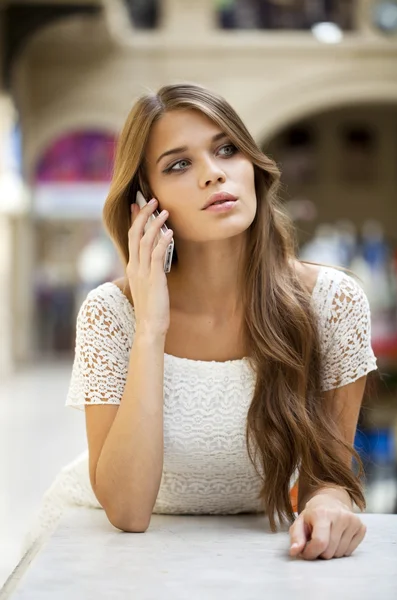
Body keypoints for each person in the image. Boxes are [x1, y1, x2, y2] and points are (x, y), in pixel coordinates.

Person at [24, 83, 378, 561]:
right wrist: (151, 326)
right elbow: (128, 512)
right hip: (104, 549)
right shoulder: (111, 313)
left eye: (227, 149)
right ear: (146, 201)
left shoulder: (332, 303)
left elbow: (330, 478)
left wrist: (330, 504)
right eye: (178, 164)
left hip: (254, 553)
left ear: (252, 164)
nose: (213, 174)